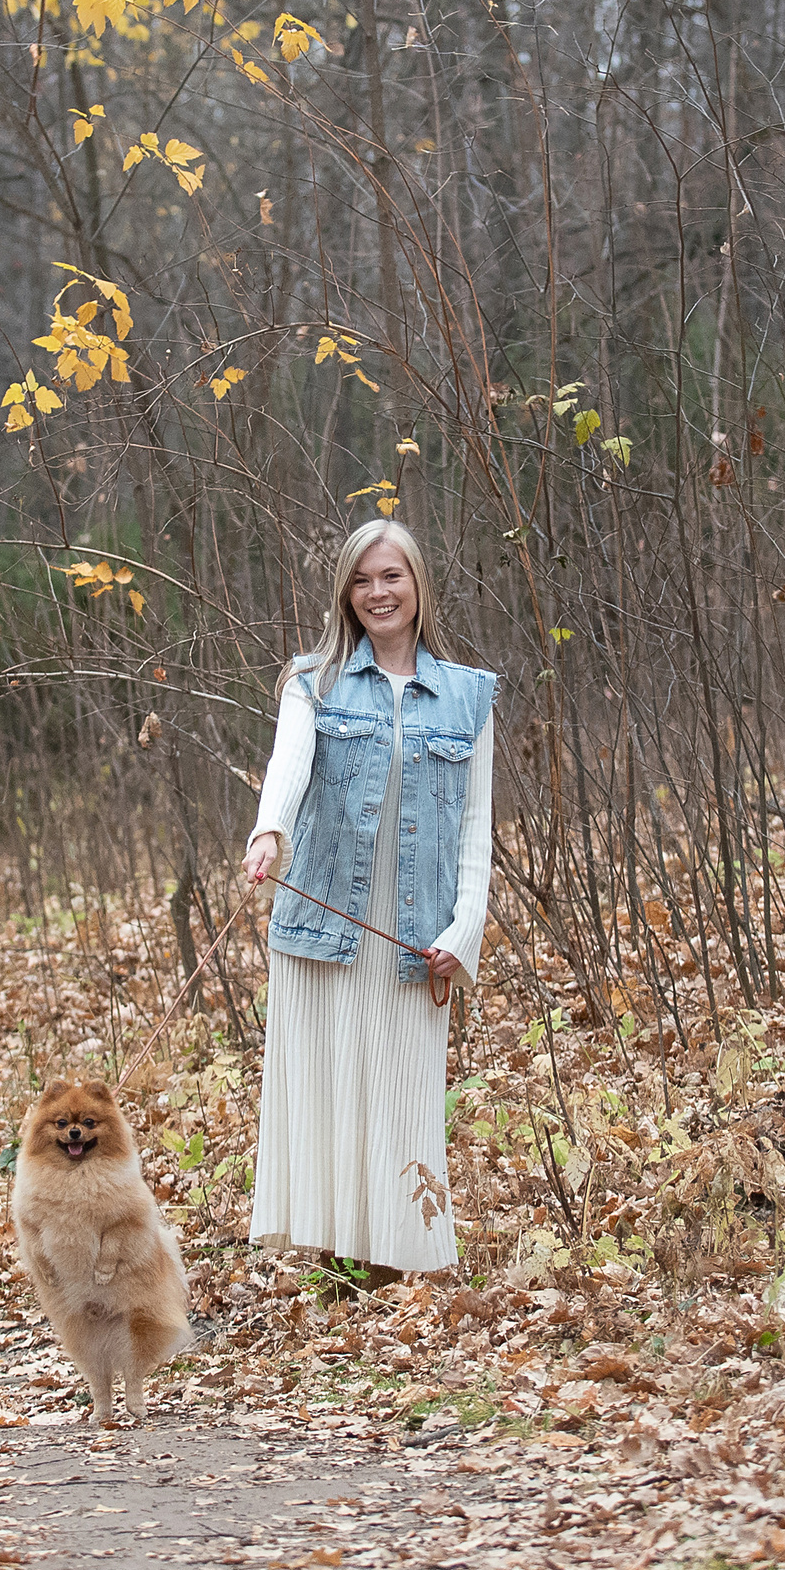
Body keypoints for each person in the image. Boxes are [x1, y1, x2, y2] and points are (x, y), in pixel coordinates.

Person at [241, 519, 496, 1283]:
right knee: (326, 1104)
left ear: (418, 585)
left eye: (391, 576)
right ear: (345, 594)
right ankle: (339, 1275)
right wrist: (269, 831)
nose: (378, 592)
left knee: (400, 1100)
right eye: (362, 580)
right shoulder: (312, 681)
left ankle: (393, 1269)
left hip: (414, 938)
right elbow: (289, 765)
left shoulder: (467, 697)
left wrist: (464, 931)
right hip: (322, 928)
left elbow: (475, 827)